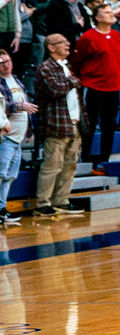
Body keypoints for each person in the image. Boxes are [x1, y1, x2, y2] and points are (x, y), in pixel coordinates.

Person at [33, 32, 83, 218]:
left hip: (73, 122)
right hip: (55, 124)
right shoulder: (45, 68)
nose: (67, 45)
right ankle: (43, 203)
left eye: (67, 41)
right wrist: (71, 81)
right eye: (62, 42)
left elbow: (77, 85)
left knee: (70, 165)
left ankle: (61, 200)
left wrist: (70, 81)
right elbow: (56, 89)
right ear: (51, 47)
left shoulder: (66, 66)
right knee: (52, 166)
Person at [72, 2, 120, 168]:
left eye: (111, 11)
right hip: (93, 86)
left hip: (113, 86)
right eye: (107, 12)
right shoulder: (88, 37)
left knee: (109, 125)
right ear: (98, 17)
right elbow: (77, 61)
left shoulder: (117, 35)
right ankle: (84, 156)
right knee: (90, 124)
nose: (111, 14)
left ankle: (104, 158)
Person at [0, 51, 30, 226]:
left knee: (10, 176)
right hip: (5, 137)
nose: (6, 65)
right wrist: (18, 105)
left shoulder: (17, 81)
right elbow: (6, 107)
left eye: (8, 61)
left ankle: (2, 208)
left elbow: (27, 110)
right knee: (1, 174)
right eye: (1, 62)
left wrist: (28, 132)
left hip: (17, 138)